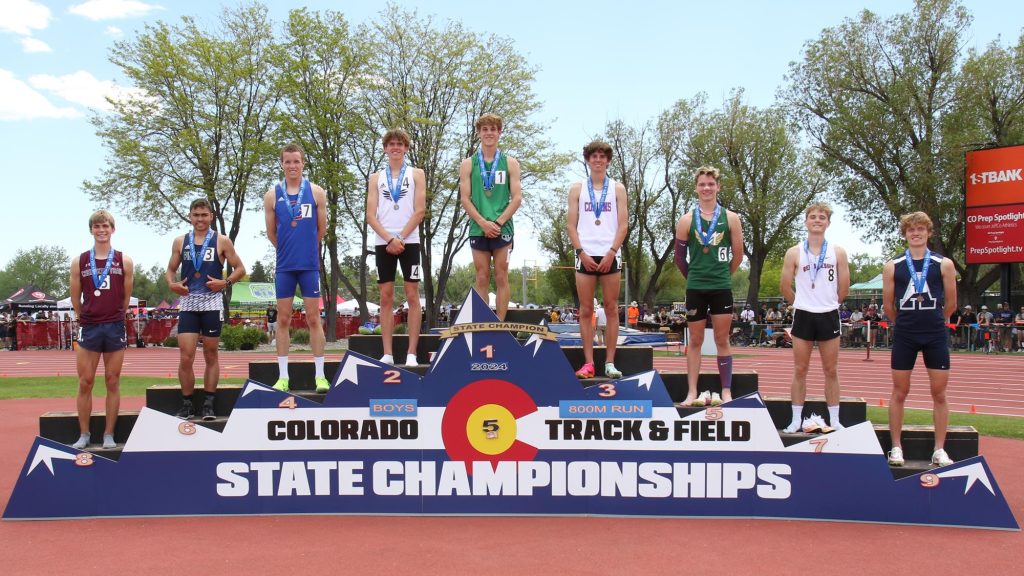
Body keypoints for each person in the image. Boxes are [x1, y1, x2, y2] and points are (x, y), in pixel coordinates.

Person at [883, 211, 957, 467]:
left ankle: (939, 449)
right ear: (905, 234)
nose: (915, 233)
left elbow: (951, 303)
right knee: (899, 391)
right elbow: (889, 306)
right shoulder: (893, 265)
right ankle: (896, 447)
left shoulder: (943, 264)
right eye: (911, 229)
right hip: (905, 334)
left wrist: (934, 319)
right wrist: (905, 322)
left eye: (920, 229)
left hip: (935, 333)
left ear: (928, 232)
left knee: (939, 393)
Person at [166, 199, 246, 420]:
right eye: (196, 215)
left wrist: (226, 283)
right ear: (190, 216)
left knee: (211, 354)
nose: (200, 219)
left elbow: (240, 268)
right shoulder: (180, 242)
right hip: (189, 302)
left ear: (211, 216)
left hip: (212, 302)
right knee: (186, 356)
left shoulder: (222, 241)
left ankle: (209, 404)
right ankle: (187, 404)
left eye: (204, 214)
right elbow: (170, 270)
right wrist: (172, 284)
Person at [673, 166, 744, 406]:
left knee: (722, 339)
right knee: (695, 341)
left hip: (721, 287)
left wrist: (723, 274)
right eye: (702, 184)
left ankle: (726, 391)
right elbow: (680, 260)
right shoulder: (686, 220)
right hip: (695, 288)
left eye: (711, 184)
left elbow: (738, 255)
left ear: (718, 187)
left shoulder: (731, 218)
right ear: (696, 188)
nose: (706, 188)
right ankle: (692, 391)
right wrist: (694, 276)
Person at [264, 143, 329, 393]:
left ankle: (320, 376)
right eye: (287, 162)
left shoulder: (316, 192)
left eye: (296, 161)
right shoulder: (273, 194)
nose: (292, 166)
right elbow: (272, 233)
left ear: (303, 163)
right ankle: (283, 377)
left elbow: (320, 230)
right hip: (285, 266)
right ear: (282, 164)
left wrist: (305, 250)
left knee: (314, 318)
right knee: (283, 319)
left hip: (309, 265)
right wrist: (288, 251)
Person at [779, 202, 850, 433]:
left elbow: (844, 287)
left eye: (822, 217)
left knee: (831, 370)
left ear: (828, 222)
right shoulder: (794, 252)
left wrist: (829, 304)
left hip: (828, 315)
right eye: (813, 217)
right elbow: (784, 286)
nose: (817, 220)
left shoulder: (837, 251)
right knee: (800, 369)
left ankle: (835, 419)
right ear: (806, 221)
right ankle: (796, 419)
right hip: (803, 316)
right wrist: (802, 304)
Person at [69, 210, 134, 449]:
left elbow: (126, 296)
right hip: (90, 326)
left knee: (112, 380)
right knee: (85, 381)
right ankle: (84, 434)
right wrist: (82, 316)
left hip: (114, 325)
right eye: (97, 226)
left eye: (105, 226)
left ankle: (109, 434)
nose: (101, 230)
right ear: (91, 230)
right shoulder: (80, 261)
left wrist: (116, 315)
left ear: (112, 229)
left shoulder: (124, 260)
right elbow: (75, 296)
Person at [567, 140, 628, 379]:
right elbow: (571, 225)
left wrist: (612, 251)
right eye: (594, 156)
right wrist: (581, 252)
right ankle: (589, 363)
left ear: (608, 160)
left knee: (612, 309)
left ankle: (610, 362)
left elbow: (623, 224)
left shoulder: (618, 189)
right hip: (585, 252)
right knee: (585, 310)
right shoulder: (577, 189)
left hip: (610, 253)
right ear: (588, 160)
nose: (598, 160)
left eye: (603, 156)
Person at [366, 128, 426, 366]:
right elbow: (371, 215)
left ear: (406, 148)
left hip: (409, 240)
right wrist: (389, 239)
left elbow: (419, 210)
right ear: (385, 149)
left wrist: (400, 237)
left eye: (400, 144)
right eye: (391, 144)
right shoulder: (375, 178)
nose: (395, 148)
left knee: (412, 295)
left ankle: (411, 352)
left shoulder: (417, 174)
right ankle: (388, 353)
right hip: (383, 241)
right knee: (385, 297)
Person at [459, 113, 522, 321]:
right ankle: (484, 323)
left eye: (493, 129)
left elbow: (516, 198)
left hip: (502, 227)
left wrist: (497, 222)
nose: (489, 133)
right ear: (479, 133)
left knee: (501, 274)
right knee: (482, 276)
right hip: (479, 227)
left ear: (499, 133)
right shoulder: (468, 164)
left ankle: (500, 323)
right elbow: (465, 199)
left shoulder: (510, 163)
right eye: (485, 129)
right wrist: (483, 223)